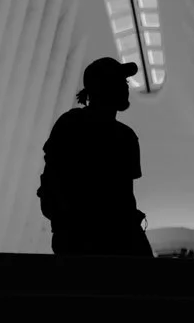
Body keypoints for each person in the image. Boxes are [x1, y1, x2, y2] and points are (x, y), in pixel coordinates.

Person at [38, 57, 153, 257]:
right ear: (103, 88)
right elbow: (124, 196)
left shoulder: (72, 124)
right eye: (120, 82)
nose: (126, 88)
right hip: (95, 240)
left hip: (81, 238)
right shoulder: (123, 136)